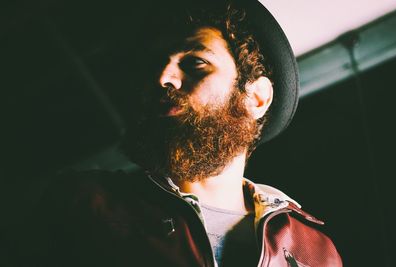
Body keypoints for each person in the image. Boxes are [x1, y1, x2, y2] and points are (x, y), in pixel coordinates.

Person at [37, 0, 342, 266]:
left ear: (257, 98)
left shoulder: (315, 252)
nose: (163, 78)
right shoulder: (82, 206)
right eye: (157, 65)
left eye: (196, 63)